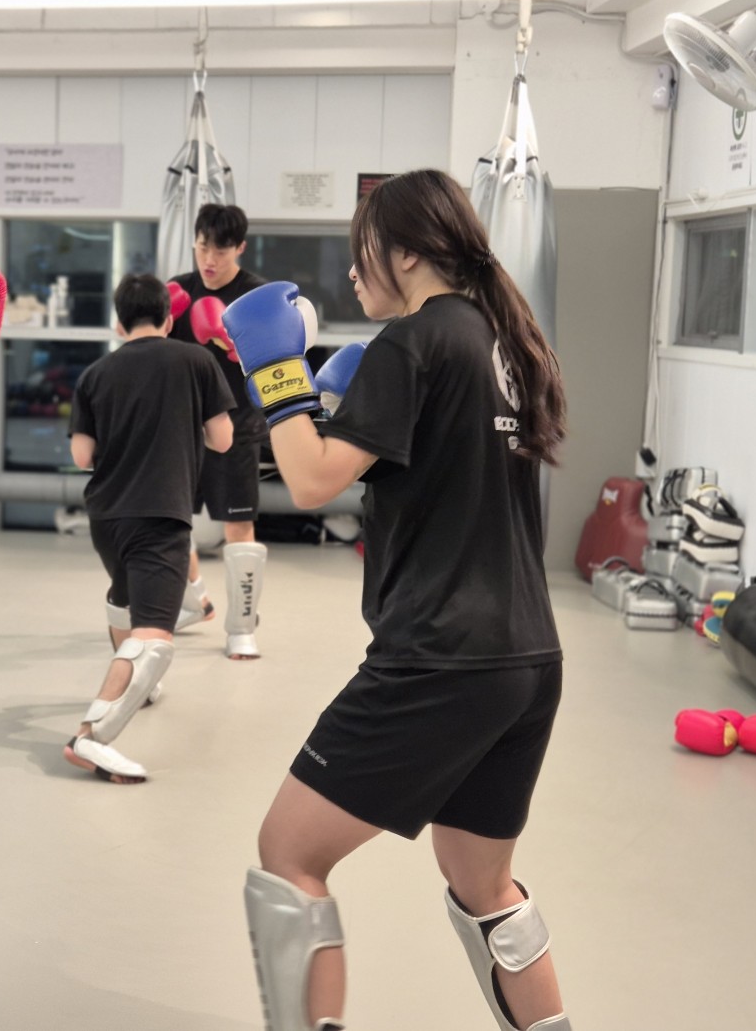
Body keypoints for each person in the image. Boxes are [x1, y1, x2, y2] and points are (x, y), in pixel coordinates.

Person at [225, 169, 571, 1031]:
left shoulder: (412, 343)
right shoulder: (504, 341)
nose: (352, 273)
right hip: (526, 659)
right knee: (484, 884)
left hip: (439, 654)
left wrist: (277, 372)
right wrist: (337, 405)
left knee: (288, 853)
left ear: (408, 252)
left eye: (363, 253)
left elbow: (310, 481)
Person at [65, 273, 233, 783]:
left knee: (123, 599)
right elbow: (223, 439)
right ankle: (91, 736)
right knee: (155, 638)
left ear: (119, 323)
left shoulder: (95, 374)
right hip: (160, 513)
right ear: (168, 317)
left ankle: (137, 686)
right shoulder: (196, 360)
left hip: (105, 516)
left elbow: (82, 456)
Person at [167, 203, 270, 659]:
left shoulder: (256, 297)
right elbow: (141, 339)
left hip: (237, 427)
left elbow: (279, 359)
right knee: (170, 522)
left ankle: (242, 627)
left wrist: (233, 344)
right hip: (183, 430)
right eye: (203, 246)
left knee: (238, 526)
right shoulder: (177, 292)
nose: (209, 259)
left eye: (221, 250)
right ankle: (194, 601)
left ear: (240, 248)